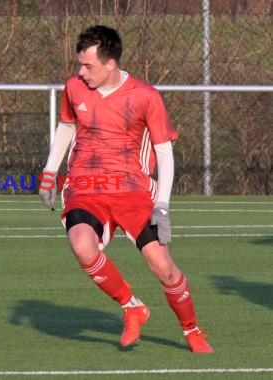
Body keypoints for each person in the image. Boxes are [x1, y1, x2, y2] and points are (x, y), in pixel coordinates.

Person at [39, 25, 213, 353]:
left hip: (133, 191)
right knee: (81, 245)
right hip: (85, 187)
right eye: (79, 64)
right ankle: (131, 306)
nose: (81, 72)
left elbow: (164, 151)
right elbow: (66, 126)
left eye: (88, 65)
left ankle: (192, 330)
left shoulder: (145, 96)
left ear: (111, 63)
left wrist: (162, 206)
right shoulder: (74, 88)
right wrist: (49, 172)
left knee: (162, 264)